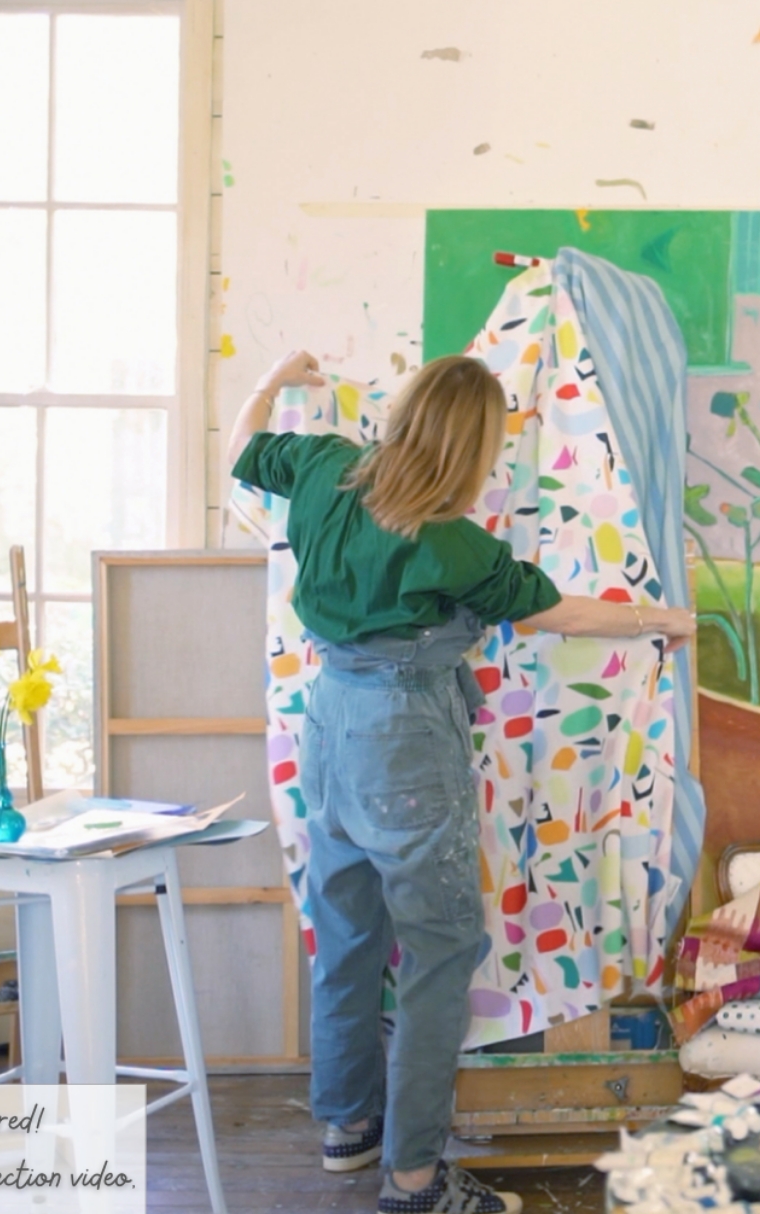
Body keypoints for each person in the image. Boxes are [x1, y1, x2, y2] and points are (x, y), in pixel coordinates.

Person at [228, 349, 694, 1214]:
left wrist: (272, 376)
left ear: (406, 412)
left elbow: (243, 449)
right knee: (438, 955)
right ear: (475, 448)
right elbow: (559, 612)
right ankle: (413, 1180)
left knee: (347, 936)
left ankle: (348, 1128)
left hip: (326, 727)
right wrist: (663, 618)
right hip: (405, 742)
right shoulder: (451, 542)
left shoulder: (325, 467)